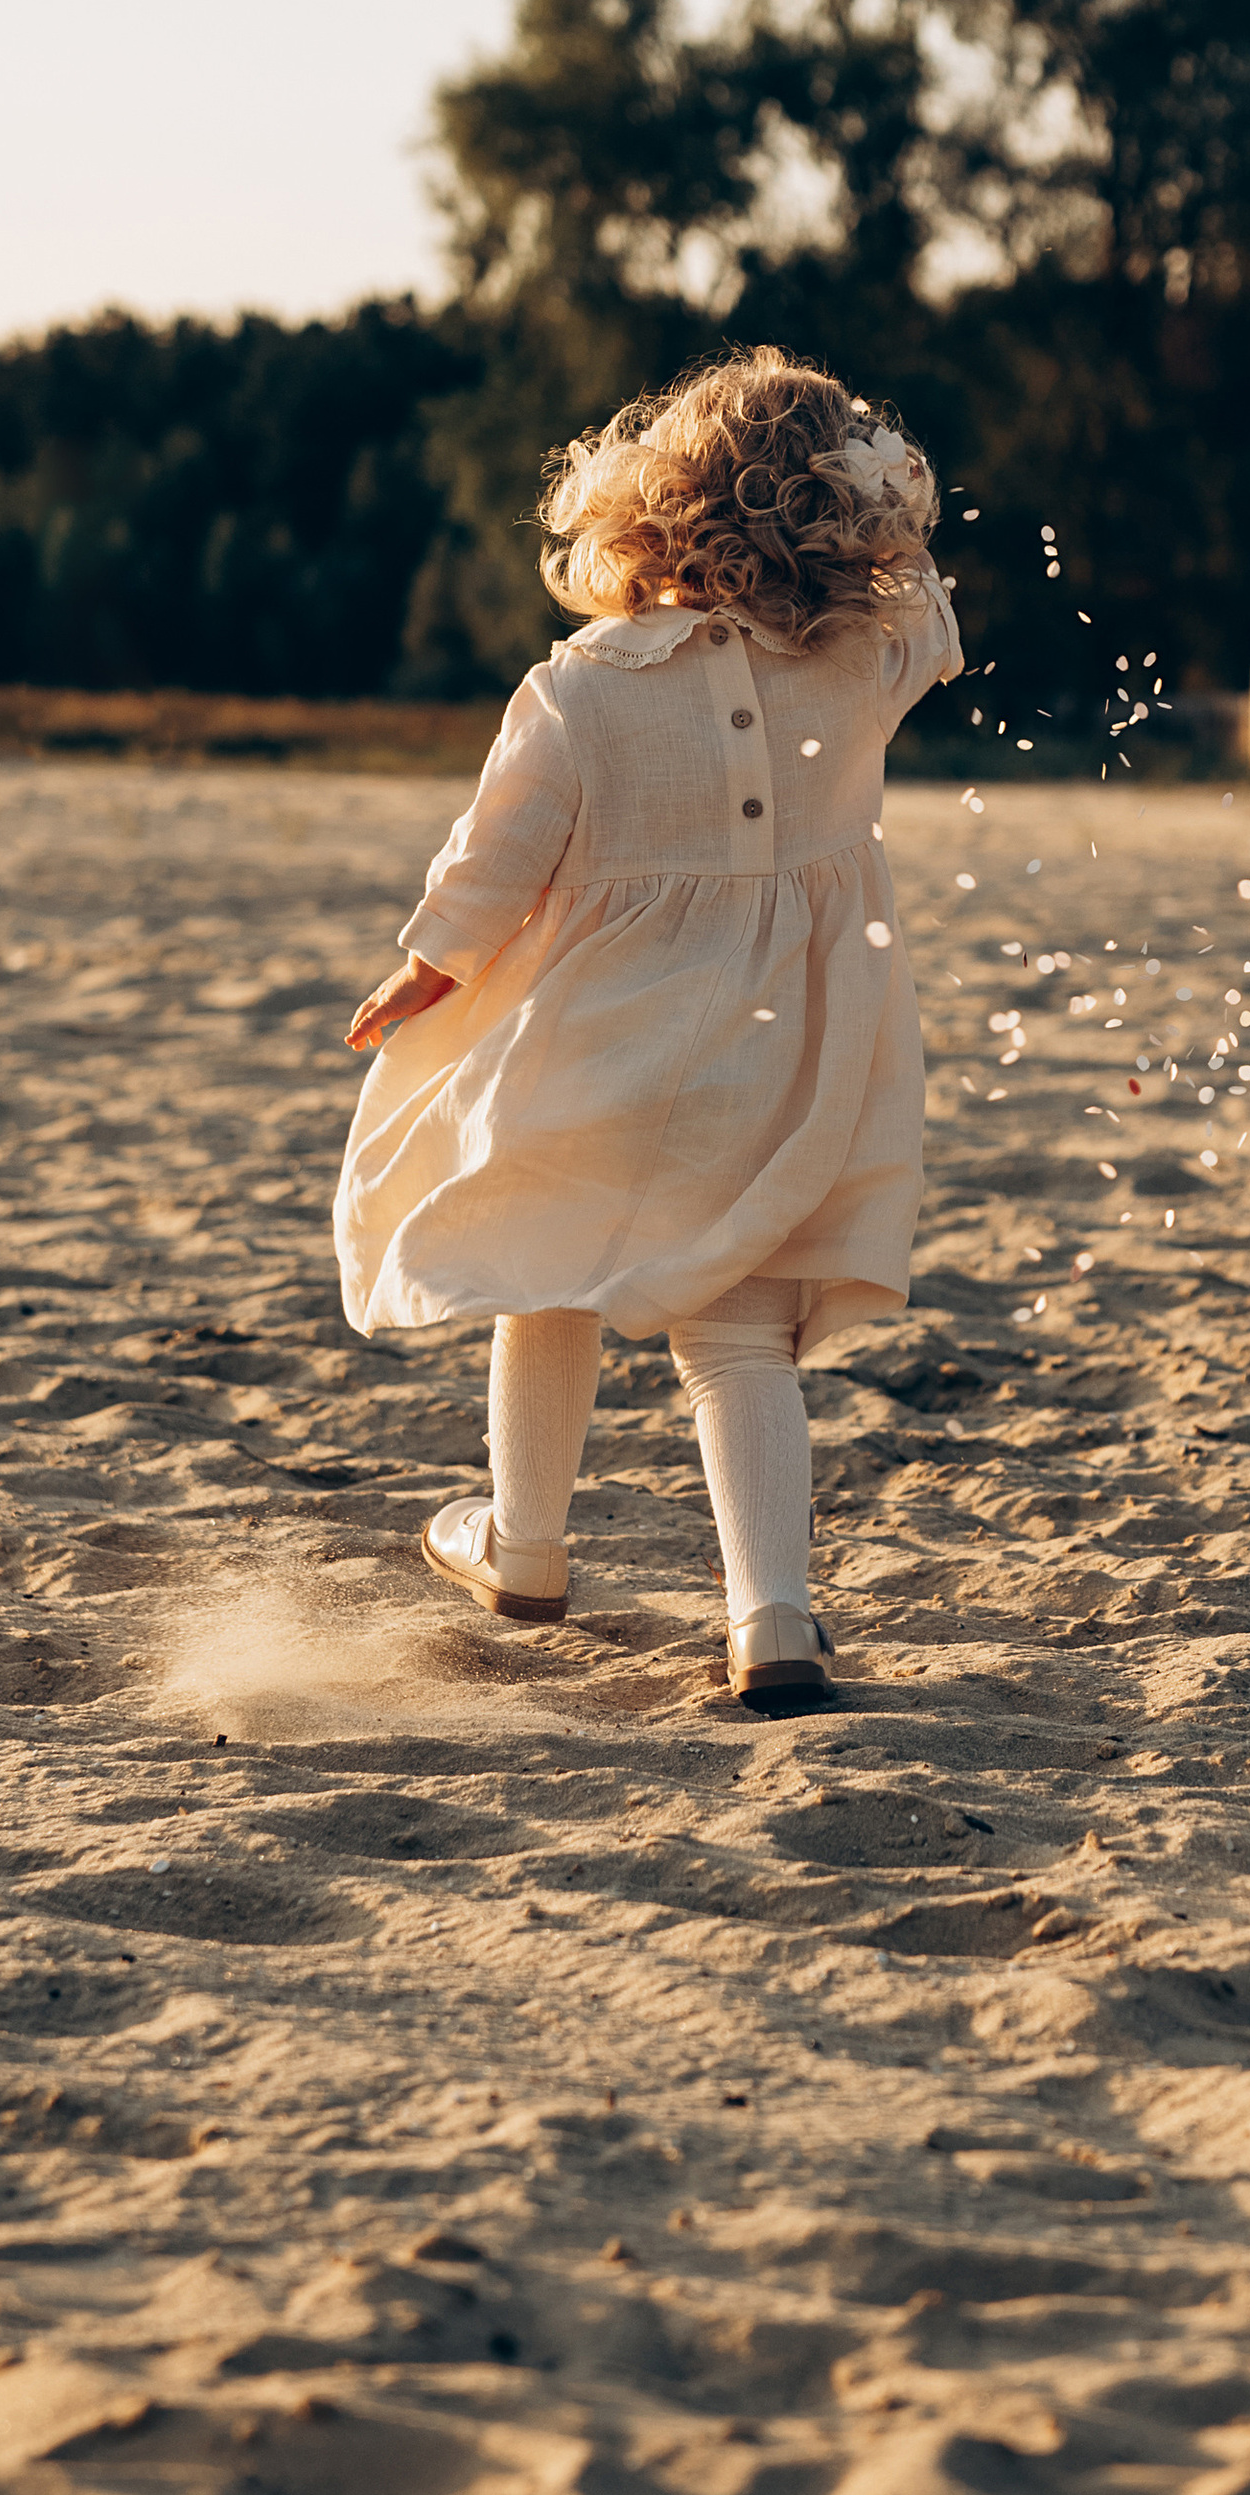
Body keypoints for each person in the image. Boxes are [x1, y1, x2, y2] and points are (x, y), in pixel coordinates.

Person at [336, 350, 960, 1707]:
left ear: (646, 503)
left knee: (549, 1270)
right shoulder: (866, 659)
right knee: (737, 1338)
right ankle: (772, 1618)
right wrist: (886, 504)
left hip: (599, 1040)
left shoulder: (581, 685)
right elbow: (932, 602)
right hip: (777, 1054)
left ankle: (525, 1546)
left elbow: (498, 856)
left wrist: (428, 967)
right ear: (849, 511)